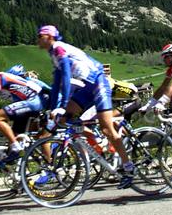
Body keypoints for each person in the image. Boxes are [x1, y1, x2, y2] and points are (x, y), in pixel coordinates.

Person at [36, 25, 135, 188]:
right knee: (64, 119)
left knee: (106, 128)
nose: (38, 38)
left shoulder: (59, 49)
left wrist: (62, 105)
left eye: (40, 35)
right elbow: (56, 84)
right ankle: (84, 149)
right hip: (87, 87)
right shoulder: (52, 53)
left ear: (50, 37)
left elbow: (67, 76)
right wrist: (53, 109)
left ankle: (128, 167)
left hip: (98, 82)